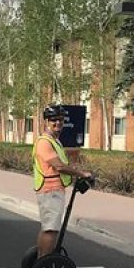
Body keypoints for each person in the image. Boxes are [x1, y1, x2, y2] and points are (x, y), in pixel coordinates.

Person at [33, 104, 92, 258]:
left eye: (60, 120)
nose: (58, 123)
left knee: (48, 227)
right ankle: (44, 261)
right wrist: (81, 174)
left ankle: (40, 260)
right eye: (53, 120)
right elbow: (58, 166)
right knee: (51, 229)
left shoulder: (54, 141)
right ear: (46, 121)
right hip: (50, 191)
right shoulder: (44, 142)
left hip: (53, 190)